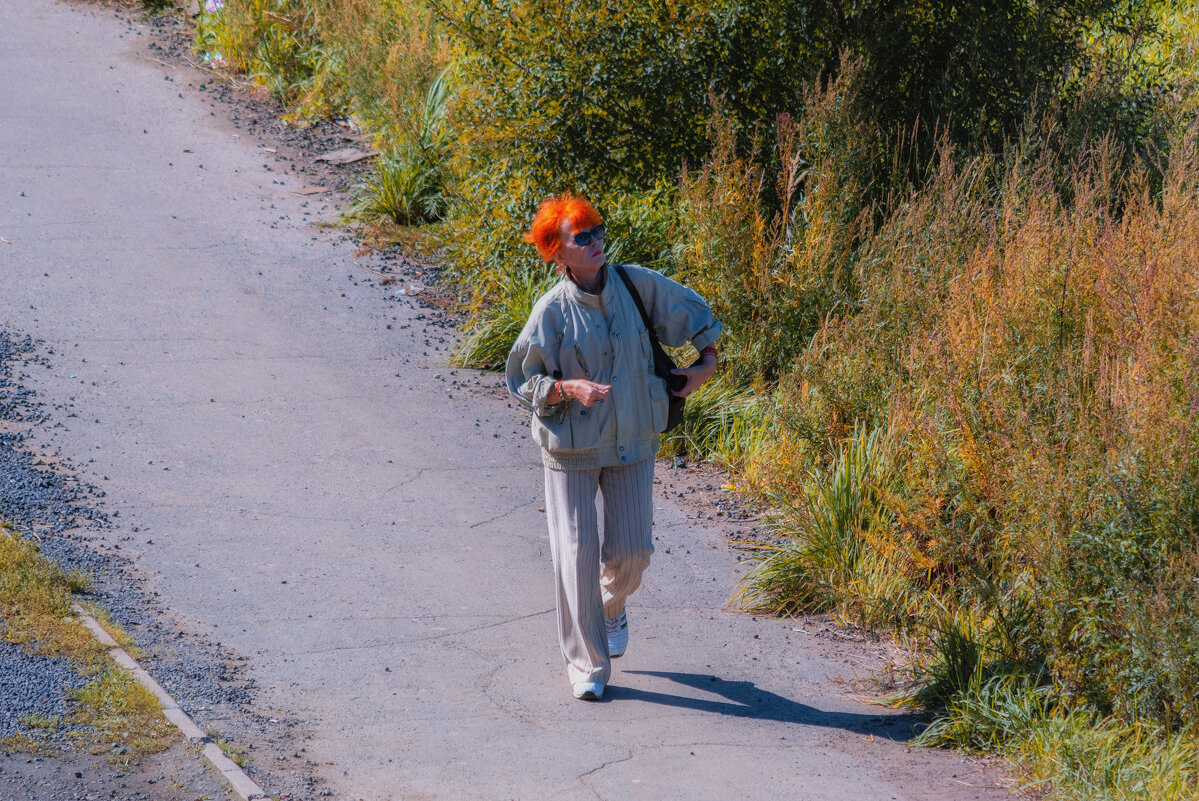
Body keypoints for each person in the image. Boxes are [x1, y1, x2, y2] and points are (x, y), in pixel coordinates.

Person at [505, 194, 723, 700]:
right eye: (582, 236)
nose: (596, 241)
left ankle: (611, 606)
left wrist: (705, 363)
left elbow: (695, 318)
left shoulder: (636, 284)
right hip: (571, 449)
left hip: (633, 440)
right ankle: (586, 666)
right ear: (557, 253)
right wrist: (564, 389)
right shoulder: (551, 312)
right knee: (575, 554)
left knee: (632, 553)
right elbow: (521, 378)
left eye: (598, 230)